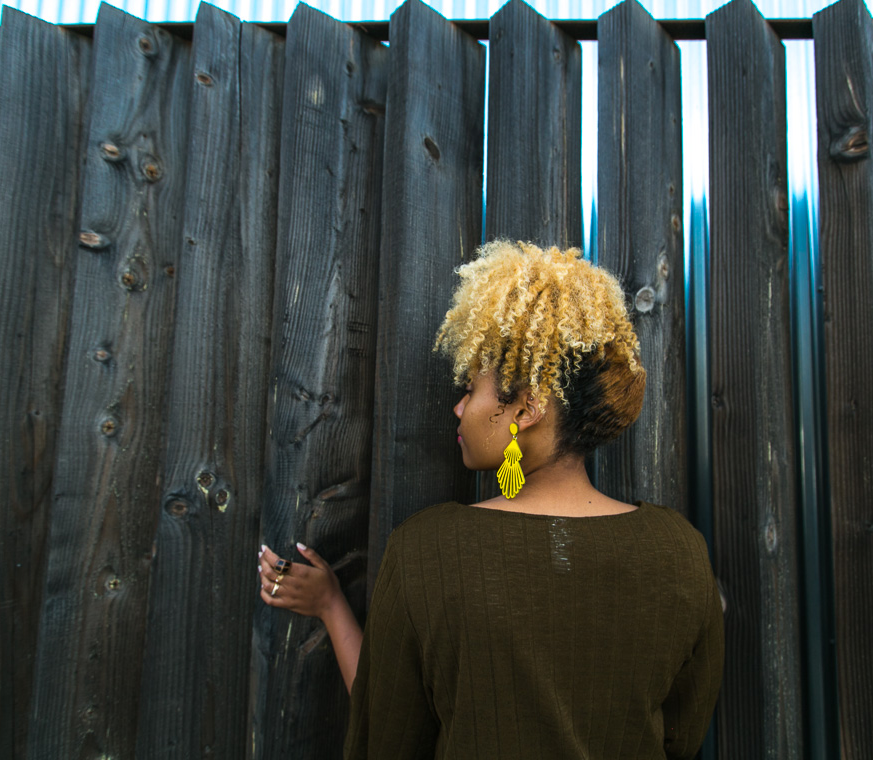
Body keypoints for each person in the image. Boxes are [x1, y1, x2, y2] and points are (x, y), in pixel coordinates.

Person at [258, 240, 723, 759]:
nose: (458, 408)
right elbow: (680, 738)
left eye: (471, 388)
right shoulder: (681, 554)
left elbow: (386, 735)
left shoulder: (427, 552)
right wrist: (329, 604)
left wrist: (329, 606)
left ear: (527, 408)